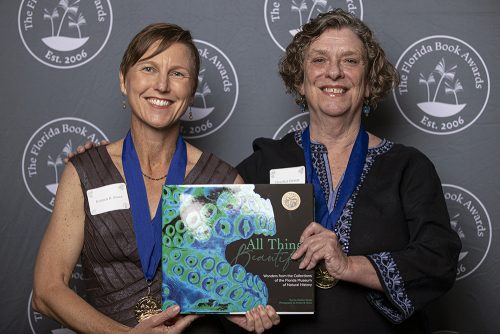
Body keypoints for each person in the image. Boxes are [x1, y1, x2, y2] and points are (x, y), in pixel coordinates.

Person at [32, 23, 279, 334]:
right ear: (124, 79)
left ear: (191, 90)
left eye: (177, 73)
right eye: (149, 68)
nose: (162, 85)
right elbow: (46, 291)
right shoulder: (84, 171)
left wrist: (242, 309)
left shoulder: (224, 182)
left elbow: (235, 285)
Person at [236, 9, 461, 334]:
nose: (334, 72)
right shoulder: (264, 163)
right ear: (300, 80)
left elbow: (439, 259)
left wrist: (349, 265)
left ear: (369, 82)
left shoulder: (408, 167)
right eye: (319, 60)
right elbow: (217, 244)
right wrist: (241, 308)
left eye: (350, 61)